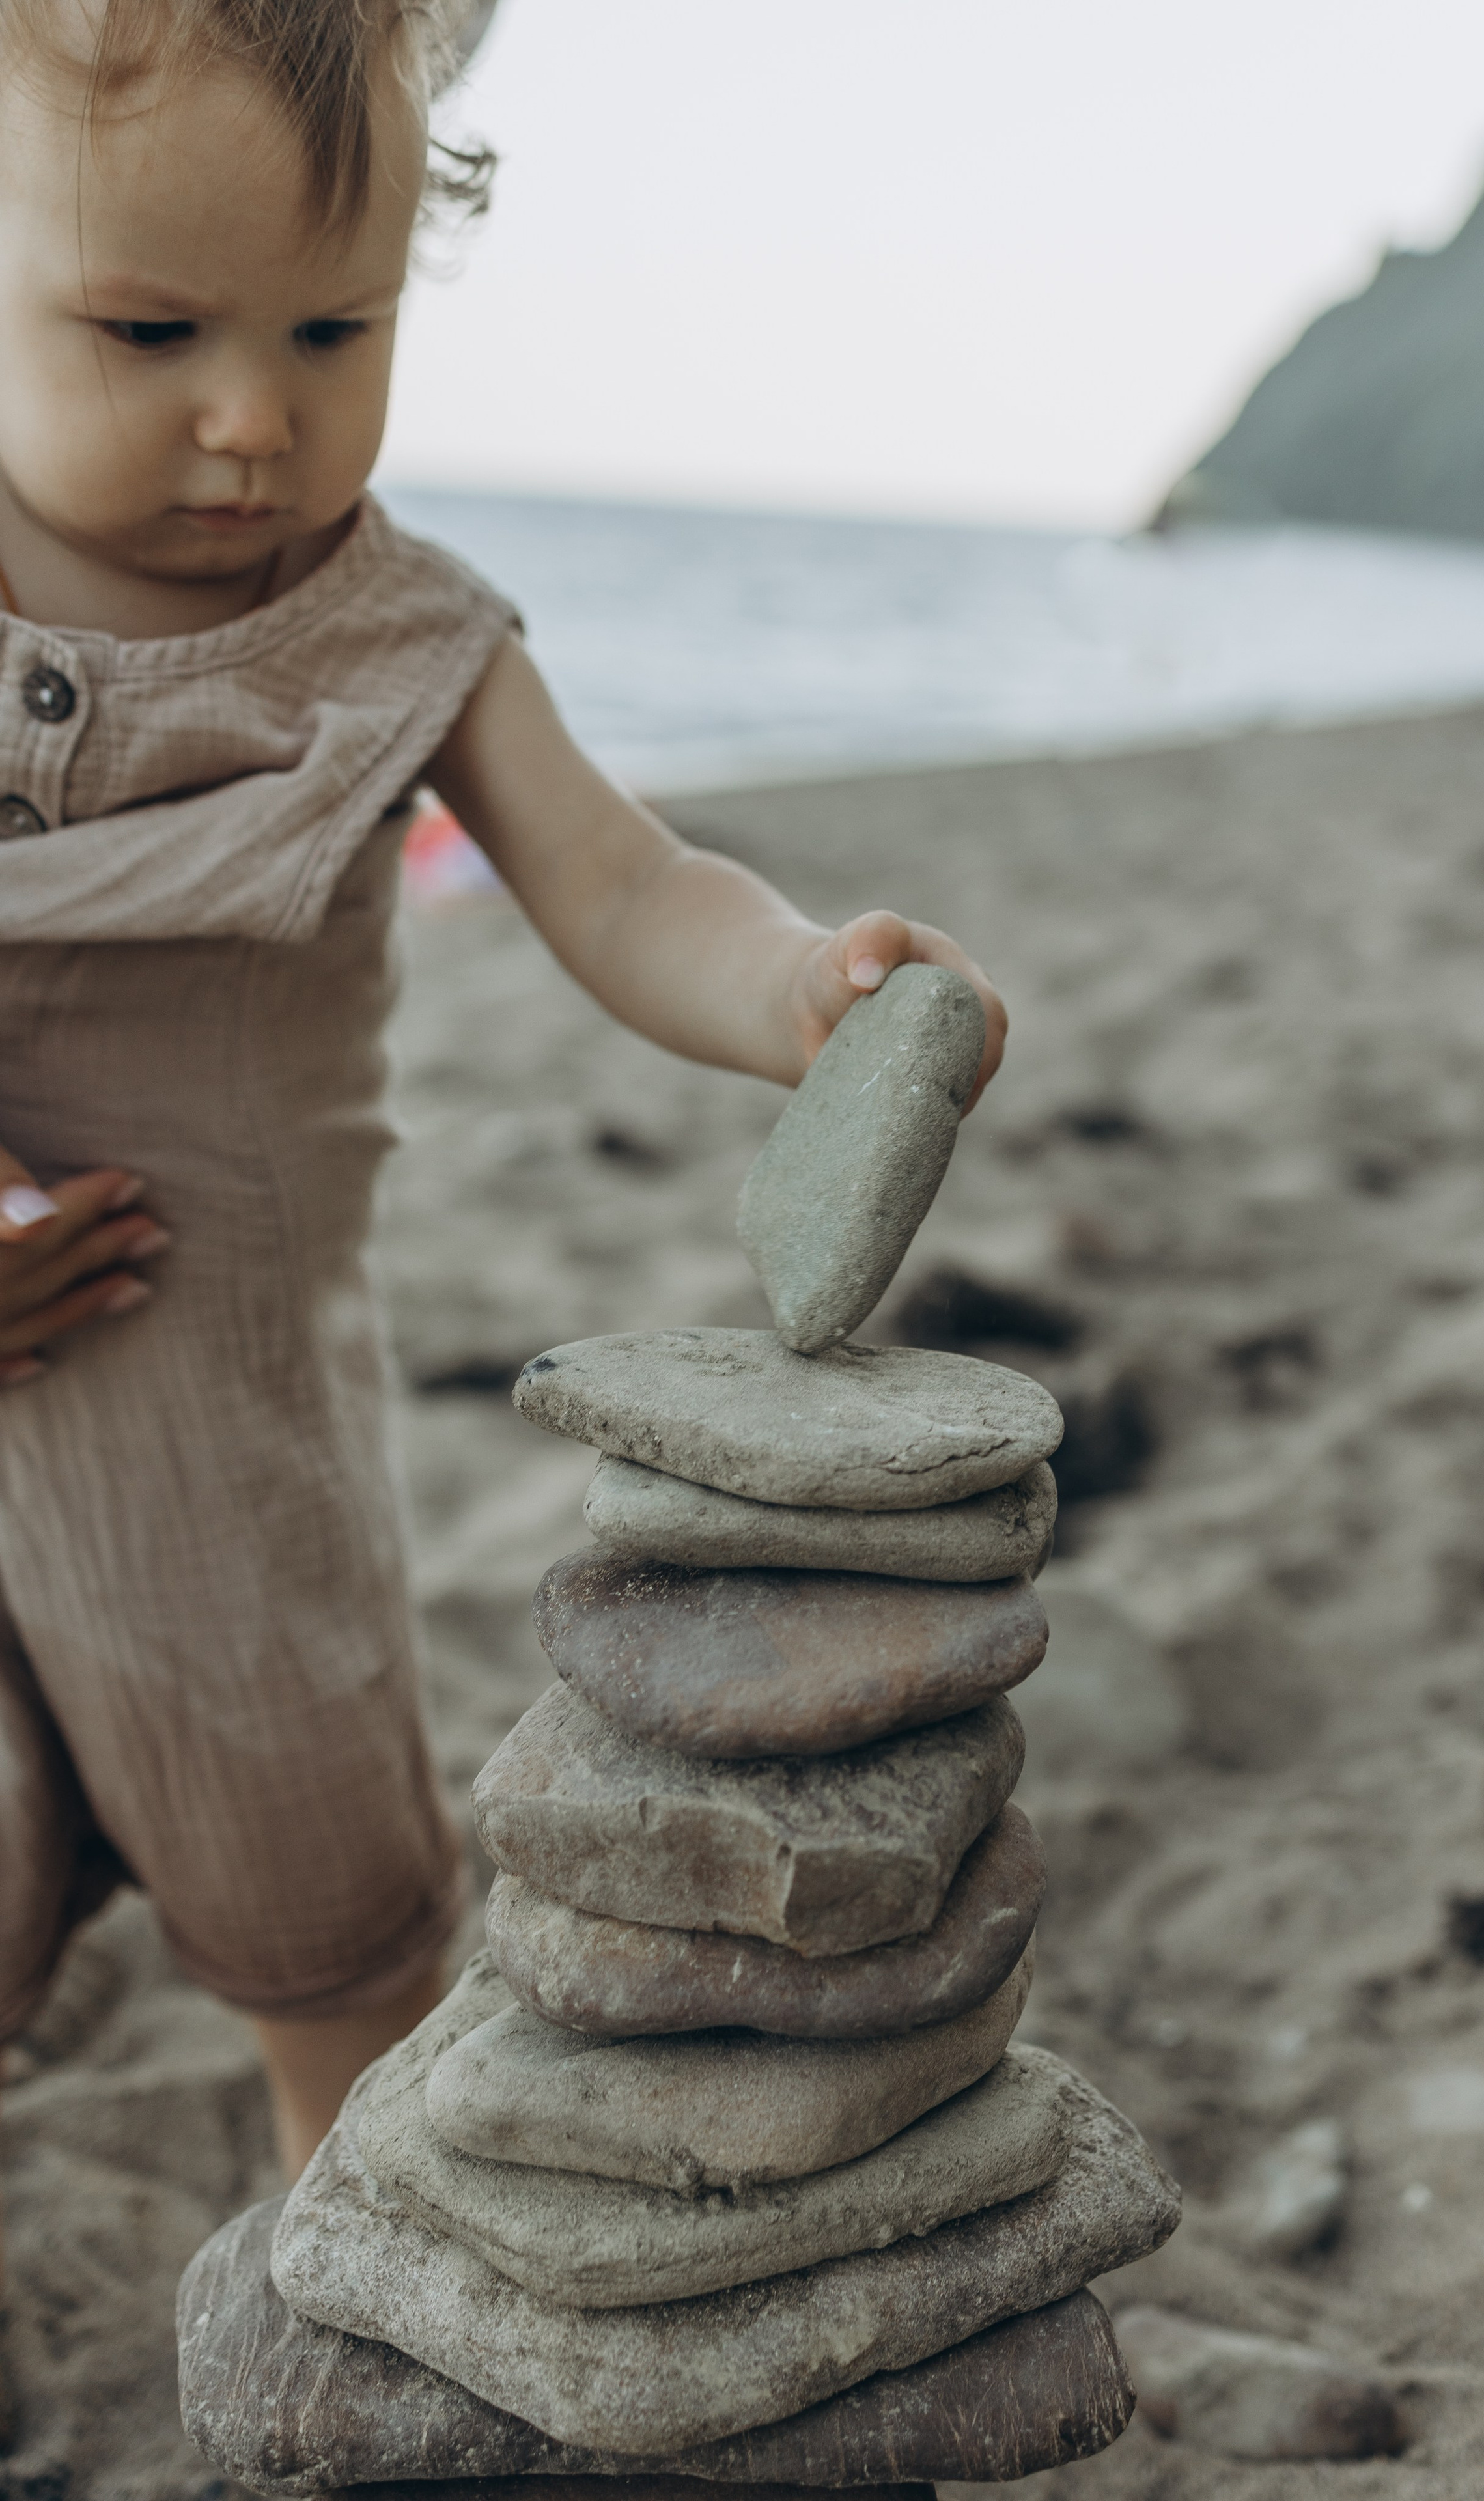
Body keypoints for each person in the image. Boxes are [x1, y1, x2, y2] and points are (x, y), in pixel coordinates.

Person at [0, 0, 1005, 2406]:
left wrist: (796, 982)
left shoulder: (402, 631)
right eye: (151, 331)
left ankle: (368, 2305)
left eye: (332, 331)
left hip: (209, 1410)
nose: (255, 412)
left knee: (329, 1915)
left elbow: (620, 879)